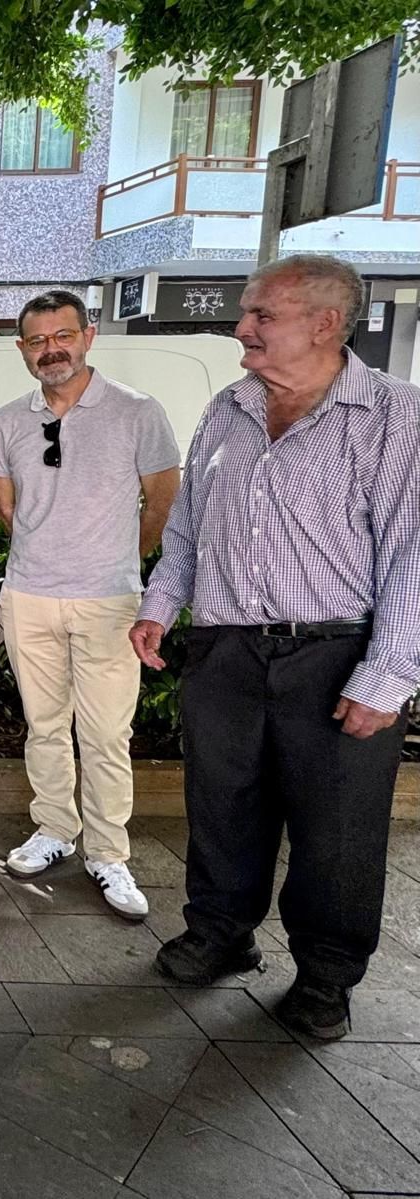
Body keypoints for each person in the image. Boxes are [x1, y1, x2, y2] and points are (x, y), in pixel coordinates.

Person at [133, 255, 420, 1039]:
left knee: (338, 827)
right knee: (221, 806)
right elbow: (189, 523)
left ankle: (327, 974)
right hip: (225, 649)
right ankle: (222, 933)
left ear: (325, 322)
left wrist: (388, 674)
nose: (242, 329)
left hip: (334, 651)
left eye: (262, 315)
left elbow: (412, 552)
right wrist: (162, 603)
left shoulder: (395, 416)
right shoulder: (228, 408)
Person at [0, 290, 180, 917]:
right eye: (37, 341)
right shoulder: (10, 419)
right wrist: (45, 554)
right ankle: (54, 830)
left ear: (88, 336)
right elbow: (8, 506)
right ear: (22, 350)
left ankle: (109, 853)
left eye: (62, 335)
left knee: (104, 734)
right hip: (29, 595)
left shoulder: (136, 411)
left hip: (108, 600)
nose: (52, 350)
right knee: (44, 726)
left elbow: (162, 500)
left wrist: (120, 561)